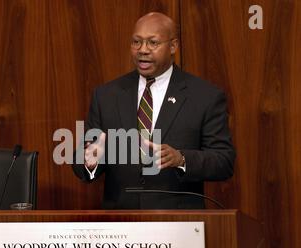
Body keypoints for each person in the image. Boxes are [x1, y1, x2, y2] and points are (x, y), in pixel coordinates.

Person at [72, 12, 235, 209]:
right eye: (136, 42)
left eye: (152, 43)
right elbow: (83, 163)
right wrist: (90, 160)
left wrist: (181, 158)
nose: (143, 50)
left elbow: (223, 161)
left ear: (173, 46)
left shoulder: (204, 96)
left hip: (178, 223)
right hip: (121, 222)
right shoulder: (106, 95)